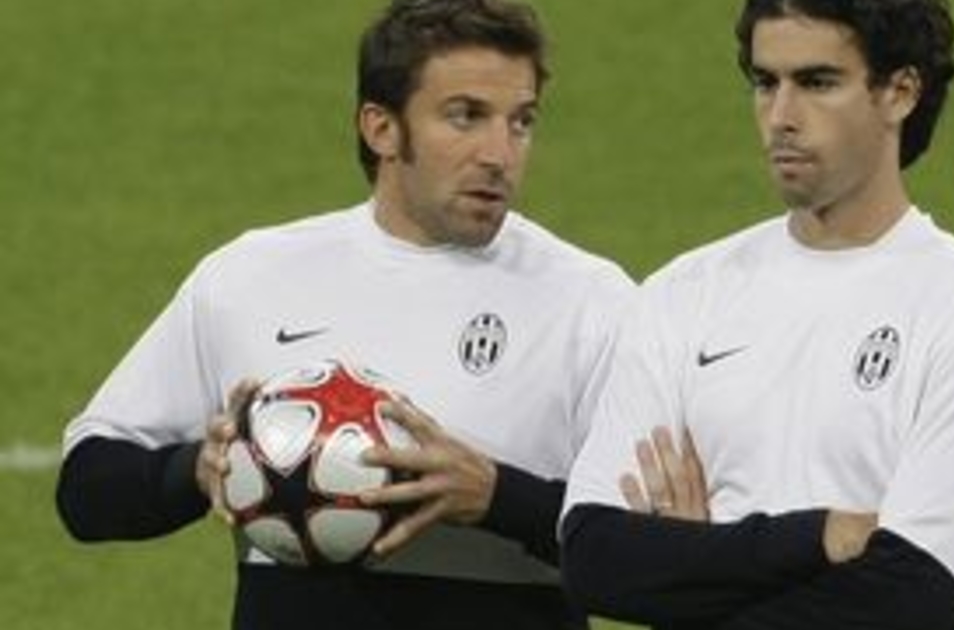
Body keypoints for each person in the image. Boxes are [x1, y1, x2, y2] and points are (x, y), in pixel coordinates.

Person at [55, 0, 632, 628]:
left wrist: (495, 497)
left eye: (521, 121)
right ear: (381, 128)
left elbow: (655, 548)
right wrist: (196, 470)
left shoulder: (591, 301)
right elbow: (87, 490)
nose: (500, 153)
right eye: (465, 116)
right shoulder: (251, 276)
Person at [561, 1, 954, 629]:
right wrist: (821, 537)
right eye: (766, 83)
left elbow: (913, 597)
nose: (781, 117)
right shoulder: (684, 293)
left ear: (900, 92)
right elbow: (596, 555)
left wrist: (697, 564)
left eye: (817, 82)